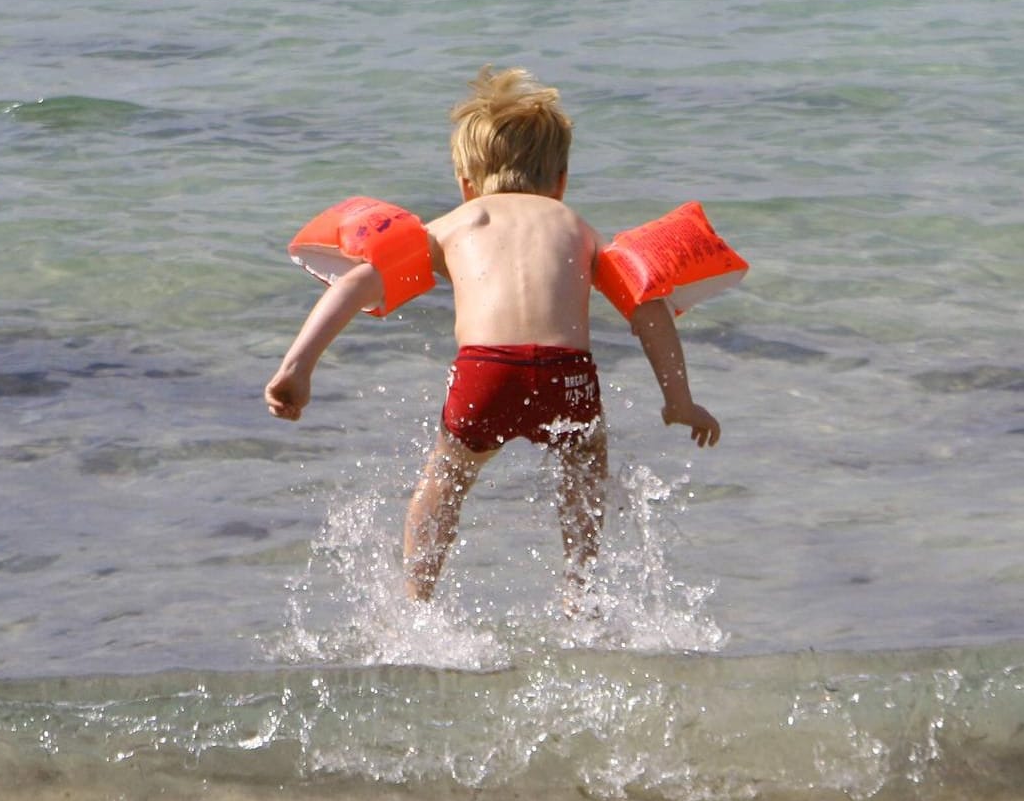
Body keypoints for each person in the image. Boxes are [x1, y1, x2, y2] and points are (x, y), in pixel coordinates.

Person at [264, 66, 721, 602]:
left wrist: (298, 366)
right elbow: (648, 306)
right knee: (585, 471)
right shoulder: (574, 226)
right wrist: (679, 399)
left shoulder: (457, 223)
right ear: (561, 181)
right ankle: (580, 594)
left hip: (488, 374)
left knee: (444, 484)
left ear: (465, 184)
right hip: (566, 375)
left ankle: (417, 601)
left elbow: (362, 280)